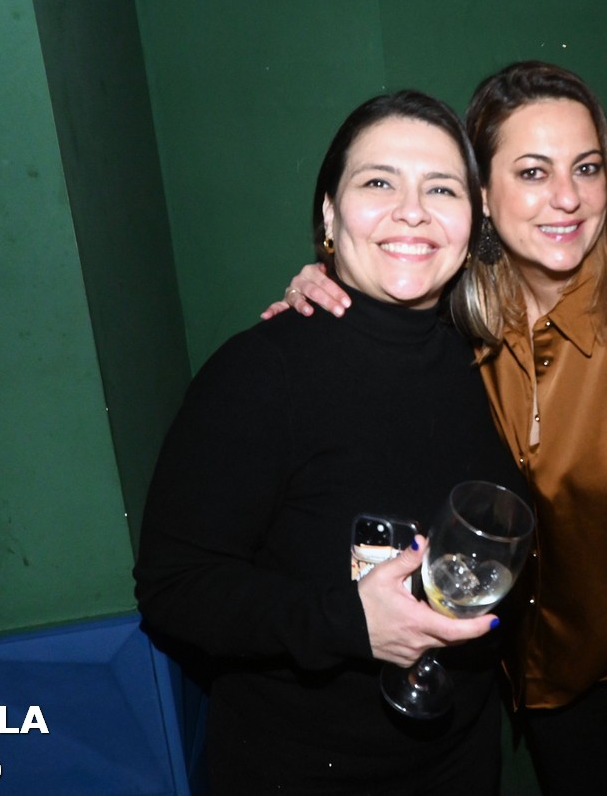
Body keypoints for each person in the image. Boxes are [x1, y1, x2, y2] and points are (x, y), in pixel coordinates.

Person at [268, 61, 607, 795]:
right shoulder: (462, 309)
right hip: (544, 659)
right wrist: (319, 282)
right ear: (482, 195)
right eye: (533, 171)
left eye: (587, 168)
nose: (568, 197)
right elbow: (385, 282)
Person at [134, 89, 530, 795]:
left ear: (473, 221)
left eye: (440, 188)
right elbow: (175, 587)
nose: (412, 210)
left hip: (460, 758)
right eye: (378, 182)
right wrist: (346, 623)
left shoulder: (471, 358)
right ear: (328, 214)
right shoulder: (260, 372)